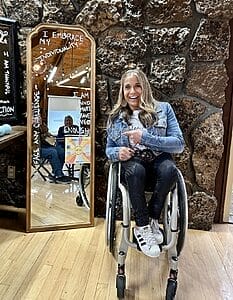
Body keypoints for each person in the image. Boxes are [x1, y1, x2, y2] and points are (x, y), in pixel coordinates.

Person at [105, 69, 185, 258]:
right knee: (135, 172)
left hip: (158, 157)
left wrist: (145, 138)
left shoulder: (163, 109)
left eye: (137, 86)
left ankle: (152, 218)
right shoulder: (115, 117)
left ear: (145, 88)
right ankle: (142, 226)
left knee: (170, 170)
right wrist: (118, 152)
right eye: (128, 87)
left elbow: (179, 144)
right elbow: (108, 150)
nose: (133, 92)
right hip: (134, 162)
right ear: (122, 91)